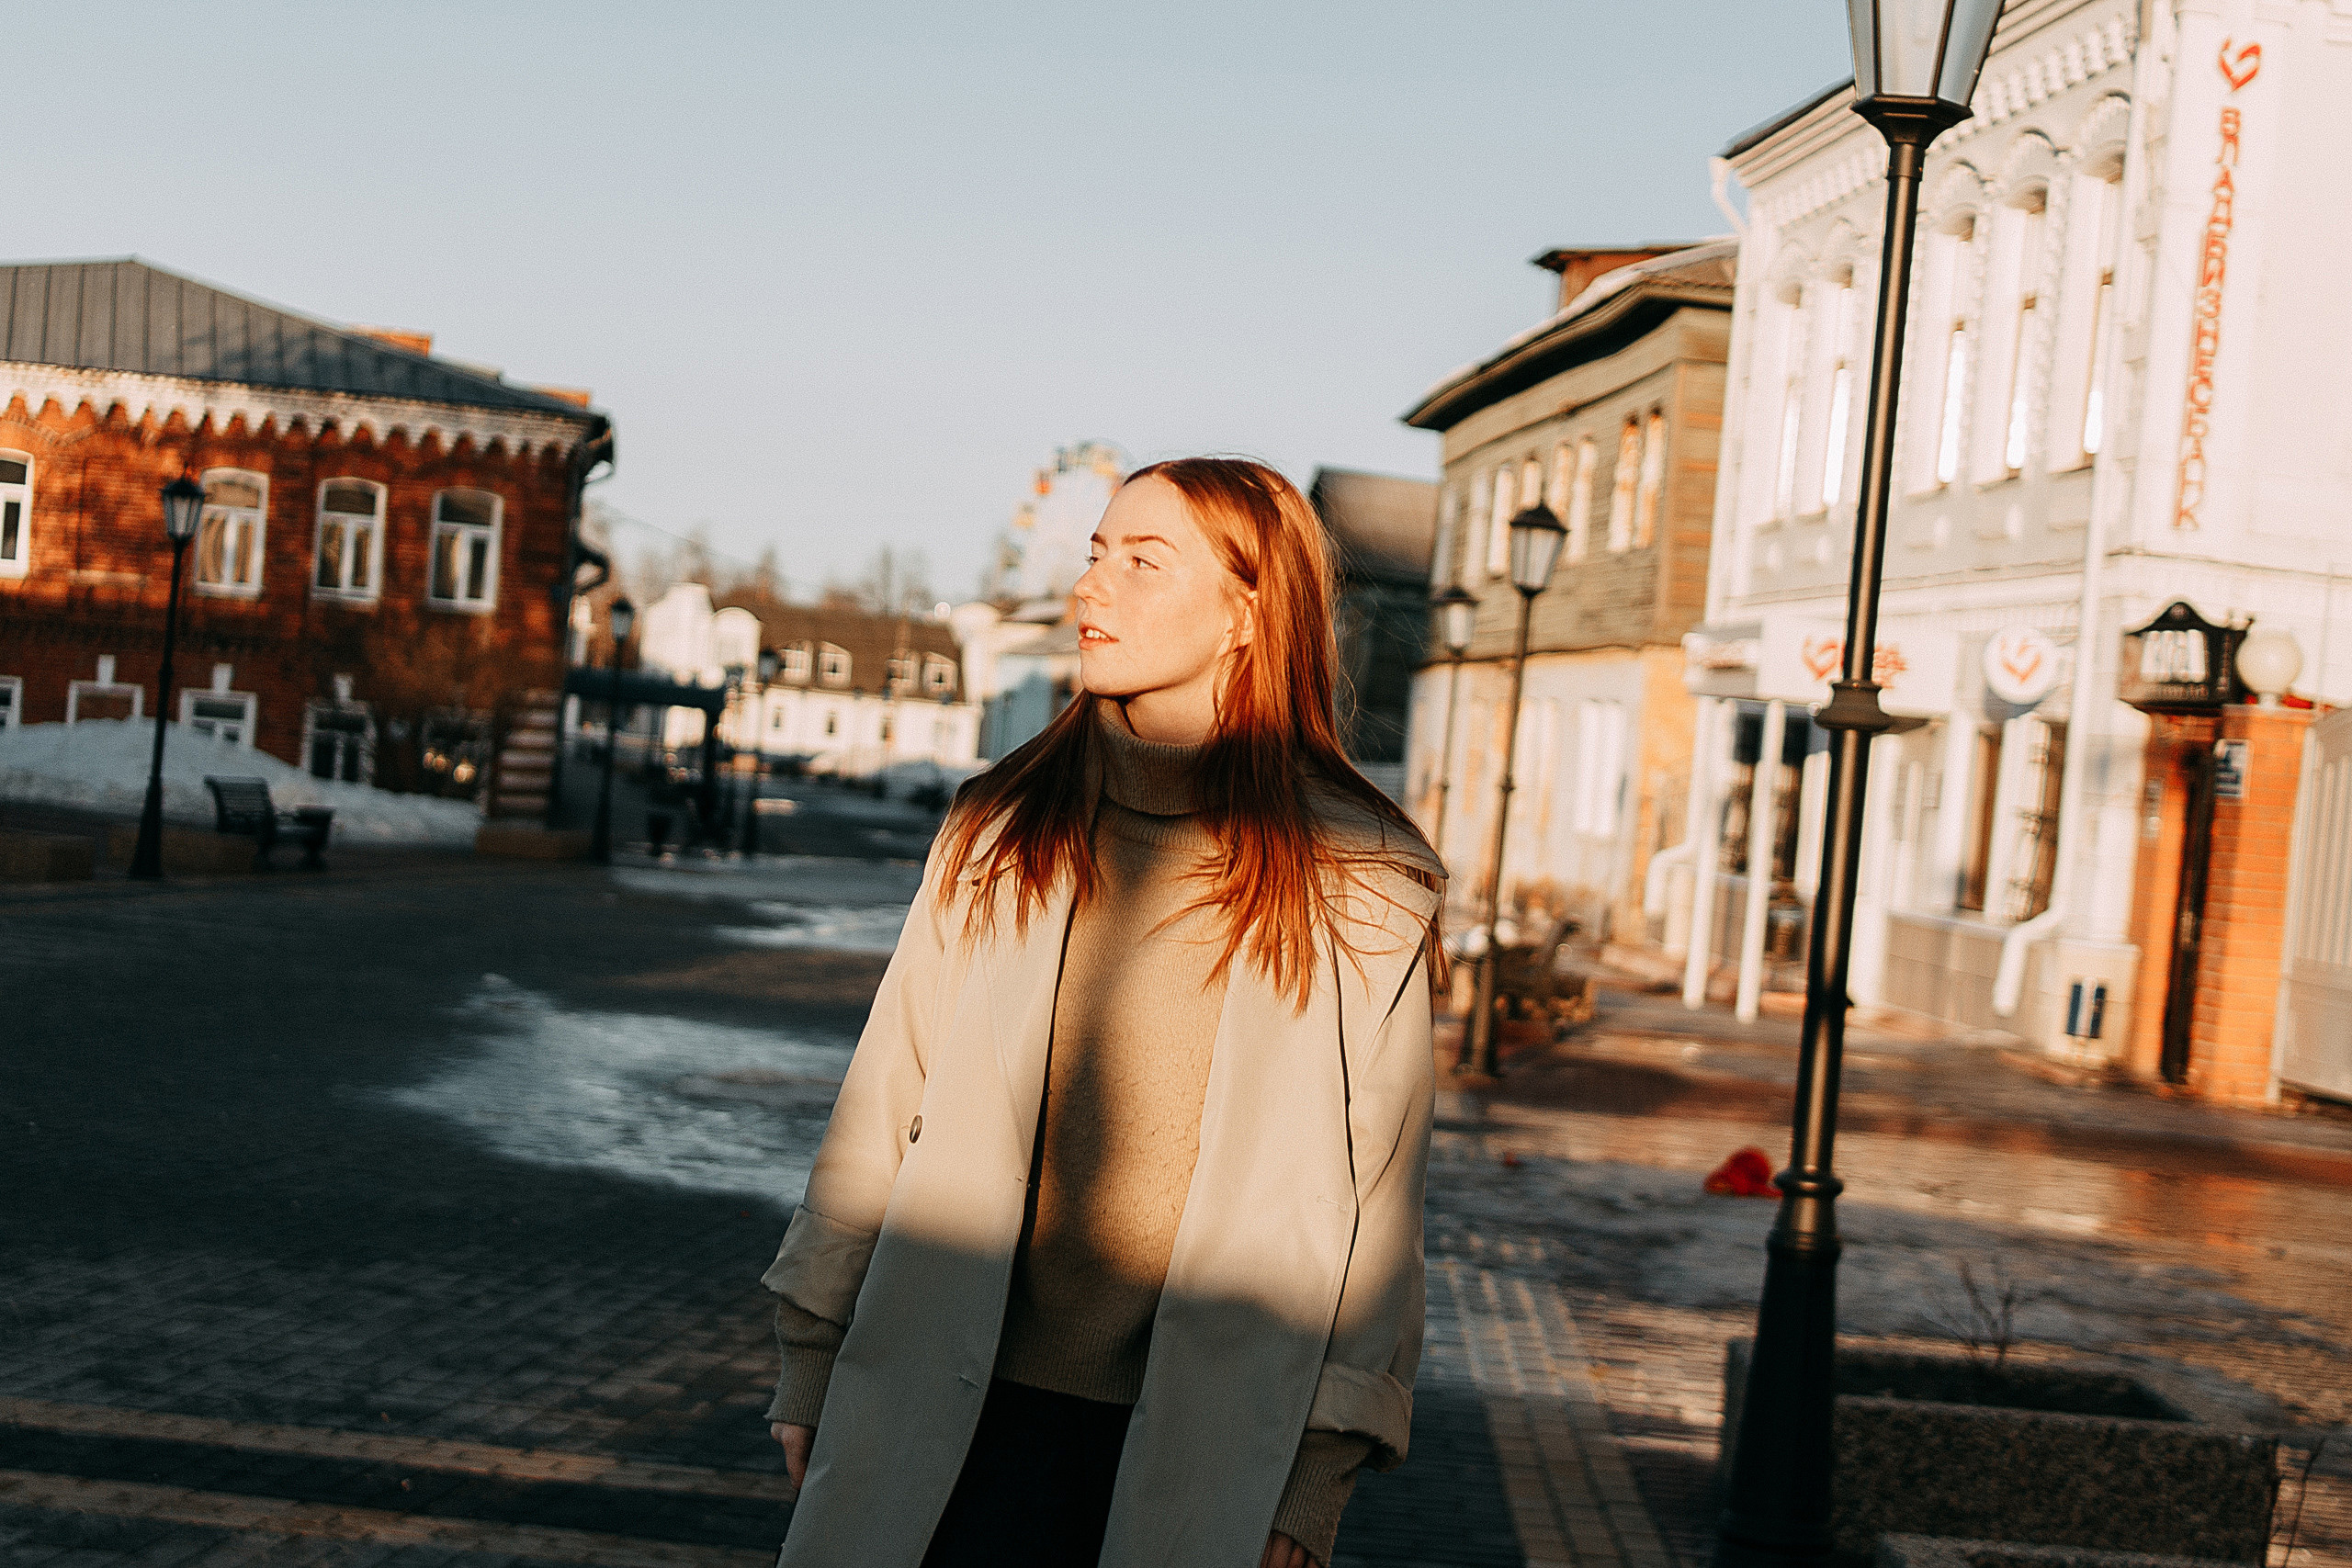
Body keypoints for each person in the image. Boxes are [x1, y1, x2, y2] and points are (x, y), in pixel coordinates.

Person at [760, 457, 1444, 1568]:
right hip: (942, 1405)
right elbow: (883, 1098)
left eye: (1142, 562)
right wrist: (812, 1345)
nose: (1091, 587)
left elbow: (1379, 1204)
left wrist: (1319, 1470)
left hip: (1209, 1442)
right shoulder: (999, 831)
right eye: (1094, 554)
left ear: (1247, 613)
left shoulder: (1360, 882)